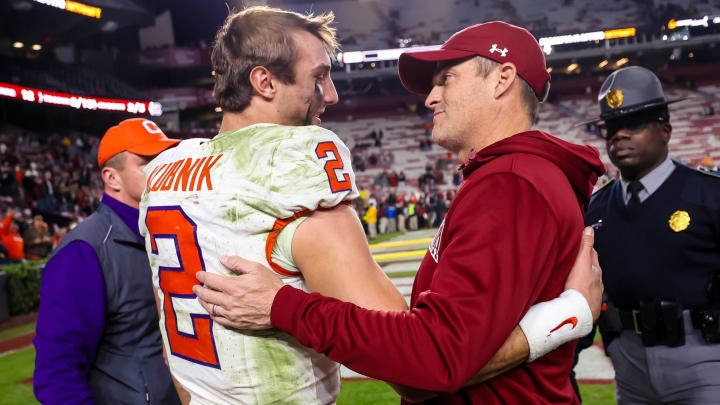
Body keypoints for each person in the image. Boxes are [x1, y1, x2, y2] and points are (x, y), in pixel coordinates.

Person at [192, 21, 605, 404]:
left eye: (447, 79)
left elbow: (432, 360)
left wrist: (282, 306)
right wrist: (565, 317)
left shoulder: (511, 183)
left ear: (502, 79)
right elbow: (457, 348)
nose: (431, 96)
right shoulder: (511, 176)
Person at [582, 66, 720, 404]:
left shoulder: (710, 195)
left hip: (703, 355)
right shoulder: (595, 208)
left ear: (665, 131)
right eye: (611, 128)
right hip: (627, 364)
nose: (619, 136)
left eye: (634, 124)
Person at [33, 119, 183, 405]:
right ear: (112, 178)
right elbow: (57, 375)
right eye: (147, 162)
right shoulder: (83, 251)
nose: (161, 169)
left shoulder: (168, 232)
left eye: (163, 159)